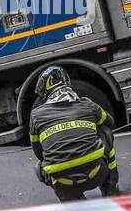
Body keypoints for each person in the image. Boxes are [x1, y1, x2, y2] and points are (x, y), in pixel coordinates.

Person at [28, 65, 119, 202]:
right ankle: (110, 186)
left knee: (39, 166)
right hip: (97, 174)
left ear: (44, 93)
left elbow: (38, 152)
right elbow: (109, 123)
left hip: (64, 183)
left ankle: (70, 198)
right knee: (105, 131)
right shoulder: (88, 104)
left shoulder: (35, 115)